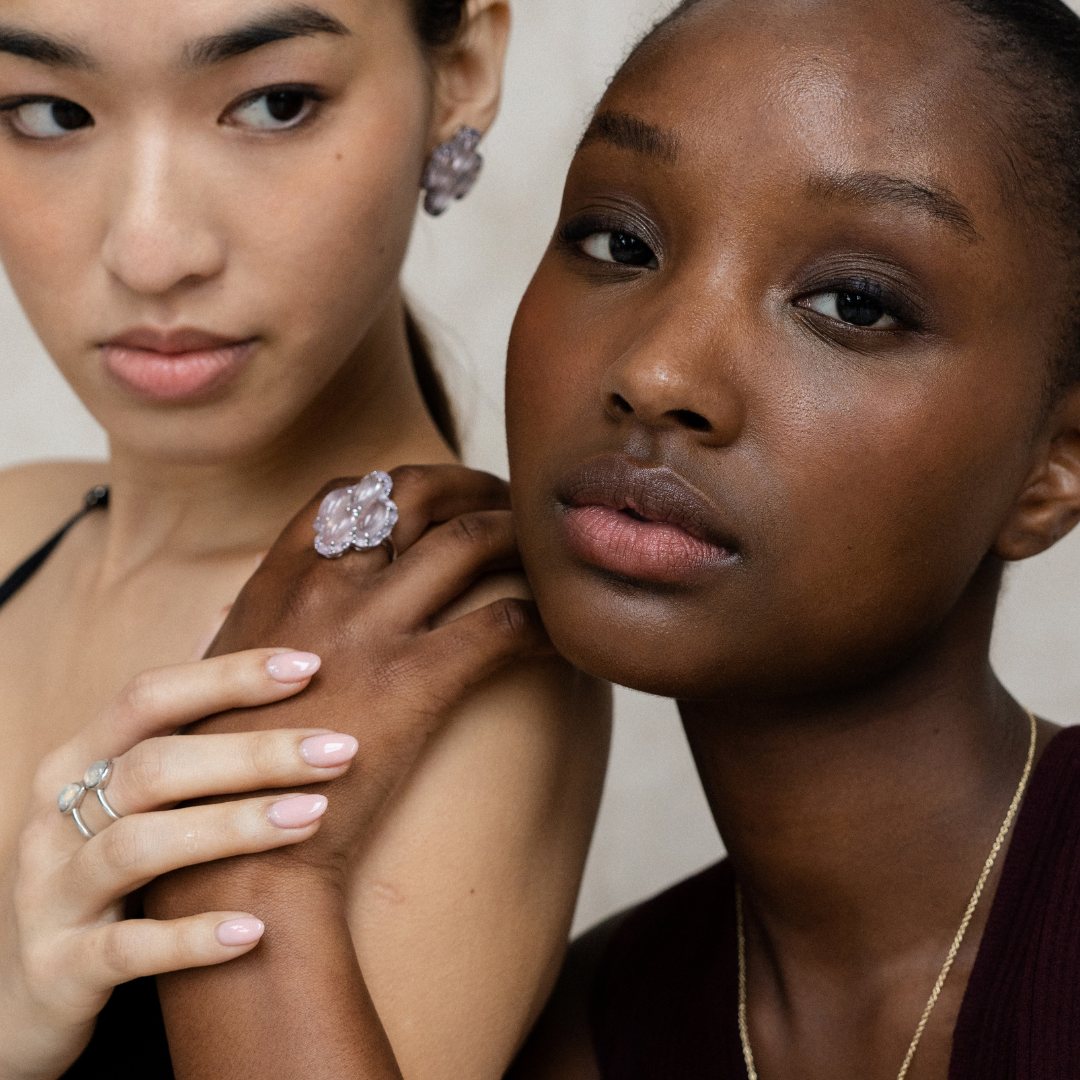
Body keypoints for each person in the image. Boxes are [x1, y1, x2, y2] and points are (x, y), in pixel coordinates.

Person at [0, 1, 609, 1077]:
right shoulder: (14, 516)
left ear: (460, 73)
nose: (151, 252)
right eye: (49, 112)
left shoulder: (458, 653)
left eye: (273, 104)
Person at [499, 0, 1080, 1076]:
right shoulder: (599, 1027)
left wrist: (250, 903)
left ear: (1059, 462)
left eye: (854, 305)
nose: (659, 374)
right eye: (619, 242)